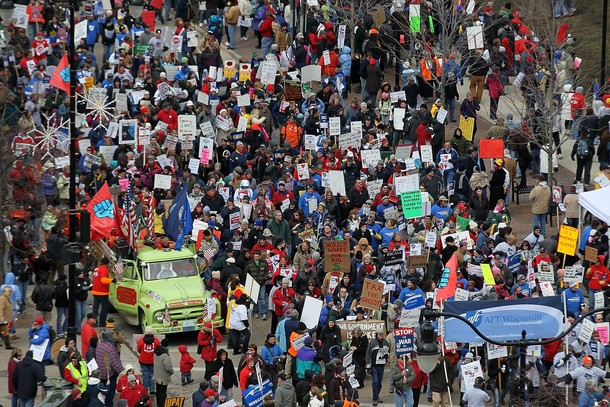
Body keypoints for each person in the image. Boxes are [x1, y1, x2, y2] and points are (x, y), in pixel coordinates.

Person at [96, 330, 124, 407]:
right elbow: (114, 361)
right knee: (110, 392)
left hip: (101, 374)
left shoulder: (99, 346)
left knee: (102, 391)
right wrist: (119, 370)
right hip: (110, 374)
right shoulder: (110, 347)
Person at [366, 331, 389, 406]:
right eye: (379, 334)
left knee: (379, 382)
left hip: (381, 365)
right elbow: (368, 354)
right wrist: (368, 366)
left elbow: (387, 351)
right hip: (374, 365)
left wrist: (387, 356)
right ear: (376, 335)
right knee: (375, 381)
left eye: (382, 334)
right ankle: (374, 398)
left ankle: (377, 396)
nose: (381, 335)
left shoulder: (385, 342)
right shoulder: (372, 342)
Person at [92, 257, 115, 328]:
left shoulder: (97, 269)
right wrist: (111, 280)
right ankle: (102, 322)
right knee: (104, 308)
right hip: (102, 292)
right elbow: (103, 280)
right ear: (107, 263)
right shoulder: (104, 269)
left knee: (95, 308)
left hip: (95, 291)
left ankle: (94, 322)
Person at [137, 326, 159, 395]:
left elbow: (139, 350)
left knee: (145, 375)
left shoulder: (141, 340)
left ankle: (145, 390)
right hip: (153, 361)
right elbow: (158, 349)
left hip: (143, 361)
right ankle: (152, 390)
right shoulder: (156, 340)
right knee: (152, 375)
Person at [153, 338, 174, 407]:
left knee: (158, 392)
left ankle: (158, 404)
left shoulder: (156, 352)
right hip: (163, 377)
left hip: (157, 375)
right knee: (163, 393)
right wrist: (171, 372)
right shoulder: (165, 355)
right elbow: (168, 367)